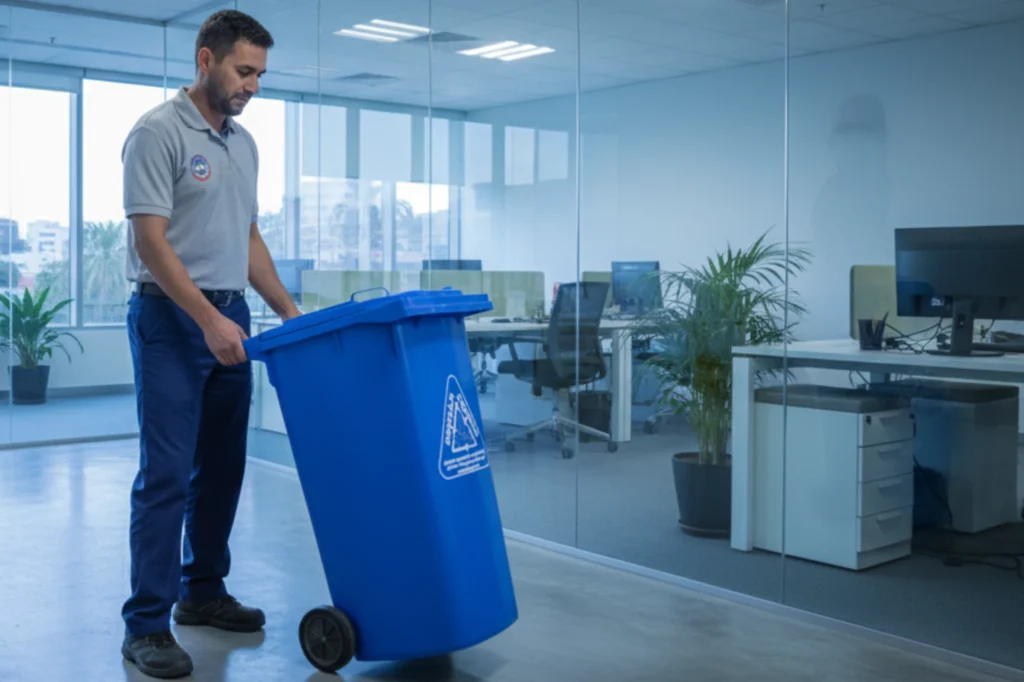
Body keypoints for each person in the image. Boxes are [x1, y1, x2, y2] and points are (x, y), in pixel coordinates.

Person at [119, 10, 300, 679]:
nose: (253, 85)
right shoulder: (157, 132)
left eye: (260, 74)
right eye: (243, 71)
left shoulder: (242, 144)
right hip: (171, 319)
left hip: (232, 316)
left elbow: (247, 238)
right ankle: (146, 624)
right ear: (206, 60)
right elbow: (150, 241)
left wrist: (288, 313)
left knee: (223, 467)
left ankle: (202, 591)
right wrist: (206, 320)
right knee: (167, 475)